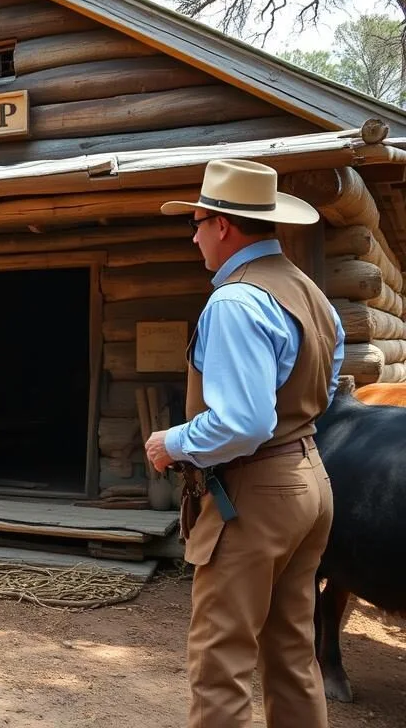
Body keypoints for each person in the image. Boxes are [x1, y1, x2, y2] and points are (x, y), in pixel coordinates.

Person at [144, 159, 346, 727]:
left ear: (223, 225)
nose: (194, 235)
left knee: (220, 662)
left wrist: (173, 442)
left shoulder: (235, 301)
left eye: (197, 223)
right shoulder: (311, 295)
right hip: (309, 479)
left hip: (255, 492)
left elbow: (246, 423)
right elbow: (324, 386)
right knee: (291, 652)